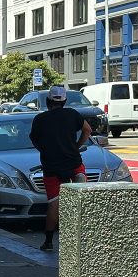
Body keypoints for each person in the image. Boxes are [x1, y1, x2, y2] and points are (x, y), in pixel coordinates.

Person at [29, 85, 92, 252]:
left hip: (51, 167)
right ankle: (84, 238)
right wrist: (76, 146)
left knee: (53, 203)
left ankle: (48, 241)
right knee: (82, 200)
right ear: (65, 101)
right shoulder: (73, 115)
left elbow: (34, 140)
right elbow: (87, 130)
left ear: (48, 101)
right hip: (74, 164)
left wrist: (46, 150)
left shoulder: (40, 119)